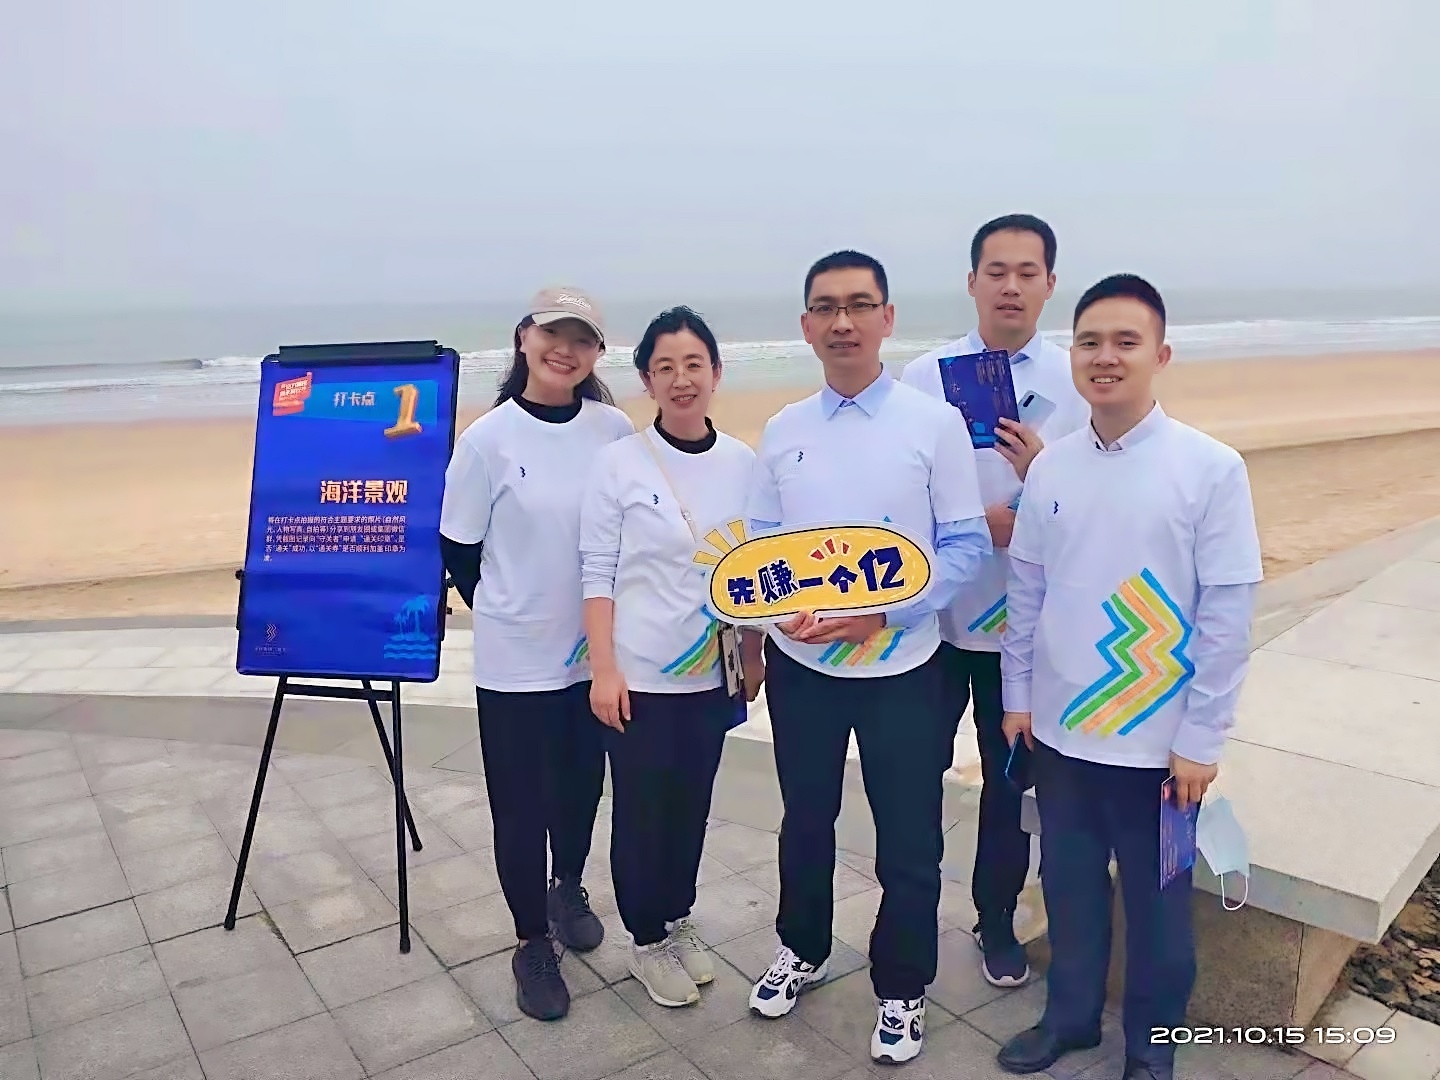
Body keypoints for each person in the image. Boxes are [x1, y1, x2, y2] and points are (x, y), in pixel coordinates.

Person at [995, 275, 1262, 1080]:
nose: (1104, 357)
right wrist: (1017, 700)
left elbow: (1227, 614)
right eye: (1089, 342)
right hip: (1061, 739)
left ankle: (1152, 1046)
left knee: (1159, 910)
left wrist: (1201, 738)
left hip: (1160, 753)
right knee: (1069, 890)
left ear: (1160, 355)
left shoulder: (1210, 469)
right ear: (1072, 354)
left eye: (1125, 342)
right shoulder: (1051, 468)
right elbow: (1027, 592)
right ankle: (1070, 1019)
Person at [744, 250, 991, 1065]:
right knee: (804, 821)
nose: (842, 322)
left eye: (859, 305)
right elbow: (759, 547)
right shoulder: (785, 429)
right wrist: (779, 618)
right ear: (806, 325)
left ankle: (902, 987)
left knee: (910, 839)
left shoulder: (933, 423)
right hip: (804, 669)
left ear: (887, 318)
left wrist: (881, 614)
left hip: (907, 670)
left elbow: (964, 548)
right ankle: (803, 947)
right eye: (826, 307)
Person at [900, 213, 1089, 988]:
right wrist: (975, 526)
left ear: (1049, 284)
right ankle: (907, 915)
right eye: (996, 271)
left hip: (1027, 631)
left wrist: (1044, 485)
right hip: (934, 625)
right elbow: (893, 494)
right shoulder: (924, 377)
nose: (1011, 286)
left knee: (1010, 788)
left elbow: (1103, 504)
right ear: (972, 281)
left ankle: (996, 918)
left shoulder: (1077, 381)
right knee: (912, 778)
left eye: (1027, 272)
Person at [439, 287, 634, 1022]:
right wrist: (509, 607)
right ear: (524, 338)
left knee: (581, 791)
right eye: (554, 334)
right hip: (515, 662)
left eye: (582, 339)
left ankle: (568, 889)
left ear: (597, 354)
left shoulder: (614, 430)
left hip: (596, 658)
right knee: (520, 808)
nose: (566, 350)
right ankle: (530, 941)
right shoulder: (487, 440)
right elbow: (459, 547)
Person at [579, 306, 763, 1009]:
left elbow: (754, 568)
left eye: (694, 364)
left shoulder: (743, 462)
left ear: (716, 372)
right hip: (640, 676)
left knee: (692, 804)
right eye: (665, 367)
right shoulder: (619, 464)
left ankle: (678, 918)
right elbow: (597, 574)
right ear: (647, 381)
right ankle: (645, 939)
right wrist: (604, 670)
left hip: (714, 673)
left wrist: (754, 651)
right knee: (643, 809)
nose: (681, 379)